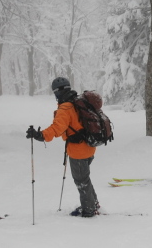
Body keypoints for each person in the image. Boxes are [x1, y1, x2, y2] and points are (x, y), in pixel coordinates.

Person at [26, 77, 100, 217]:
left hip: (78, 151)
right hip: (89, 147)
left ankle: (89, 209)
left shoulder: (65, 107)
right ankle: (92, 204)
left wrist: (40, 135)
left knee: (81, 181)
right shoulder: (78, 101)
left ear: (57, 92)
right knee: (85, 178)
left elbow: (56, 128)